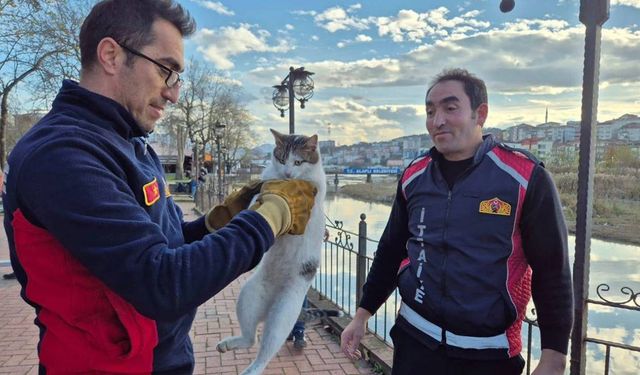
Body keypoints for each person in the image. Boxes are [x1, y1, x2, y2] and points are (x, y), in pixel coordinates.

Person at [1, 1, 317, 374]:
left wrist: (221, 220)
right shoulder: (61, 154)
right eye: (167, 70)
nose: (174, 93)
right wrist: (271, 216)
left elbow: (163, 244)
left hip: (161, 359)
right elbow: (162, 283)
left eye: (177, 77)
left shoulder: (130, 142)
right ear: (111, 55)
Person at [340, 68, 573, 375]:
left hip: (489, 356)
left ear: (480, 113)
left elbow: (552, 270)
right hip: (414, 342)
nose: (438, 120)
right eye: (430, 111)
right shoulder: (414, 176)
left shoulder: (524, 177)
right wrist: (362, 315)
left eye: (451, 108)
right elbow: (391, 249)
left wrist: (554, 356)